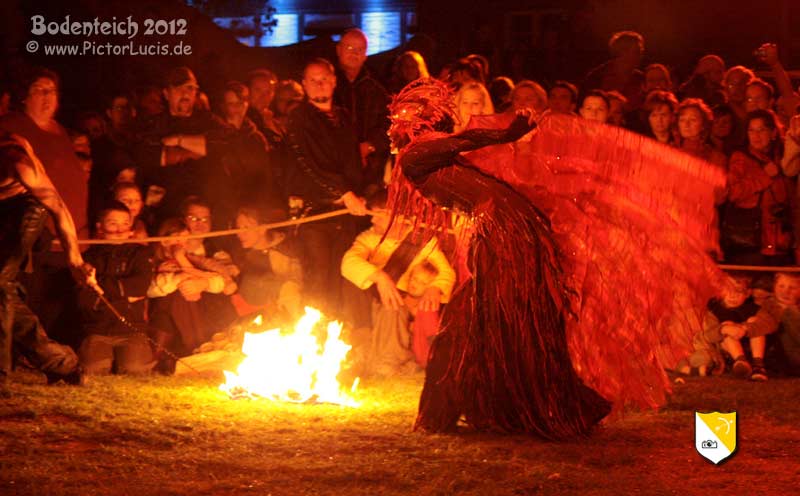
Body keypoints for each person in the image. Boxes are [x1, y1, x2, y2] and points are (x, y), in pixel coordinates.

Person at [387, 79, 725, 437]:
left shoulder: (421, 151)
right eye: (401, 116)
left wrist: (512, 134)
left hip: (507, 232)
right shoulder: (419, 154)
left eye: (408, 115)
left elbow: (468, 144)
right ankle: (494, 408)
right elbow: (465, 143)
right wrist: (508, 133)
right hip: (506, 231)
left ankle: (486, 412)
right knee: (486, 322)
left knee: (490, 322)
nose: (400, 122)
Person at [0, 132, 96, 396]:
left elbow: (58, 208)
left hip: (26, 210)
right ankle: (62, 365)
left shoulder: (19, 163)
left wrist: (75, 259)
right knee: (4, 290)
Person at [341, 190, 455, 376]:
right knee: (391, 304)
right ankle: (388, 362)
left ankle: (401, 361)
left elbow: (446, 272)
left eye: (377, 216)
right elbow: (349, 262)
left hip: (411, 304)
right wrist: (381, 277)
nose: (372, 221)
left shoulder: (423, 240)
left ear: (397, 217)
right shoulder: (368, 239)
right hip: (380, 301)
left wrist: (435, 288)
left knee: (400, 306)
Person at [77, 202, 155, 375]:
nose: (120, 230)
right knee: (92, 369)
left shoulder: (139, 254)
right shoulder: (88, 257)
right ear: (100, 227)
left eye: (125, 224)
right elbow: (85, 298)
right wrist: (124, 296)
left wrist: (100, 285)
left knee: (135, 369)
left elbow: (140, 285)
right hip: (98, 329)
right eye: (113, 223)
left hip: (131, 329)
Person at [724, 109, 793, 265]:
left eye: (761, 130)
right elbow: (733, 192)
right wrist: (764, 176)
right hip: (750, 241)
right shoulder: (740, 158)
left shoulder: (784, 159)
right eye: (751, 130)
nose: (756, 135)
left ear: (773, 133)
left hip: (781, 242)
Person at [675, 273, 759, 377]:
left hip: (747, 345)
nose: (733, 295)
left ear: (747, 293)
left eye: (738, 291)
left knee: (752, 321)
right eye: (728, 290)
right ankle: (739, 361)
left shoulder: (752, 309)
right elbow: (709, 335)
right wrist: (723, 329)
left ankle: (757, 365)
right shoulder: (715, 309)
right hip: (722, 349)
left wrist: (744, 327)